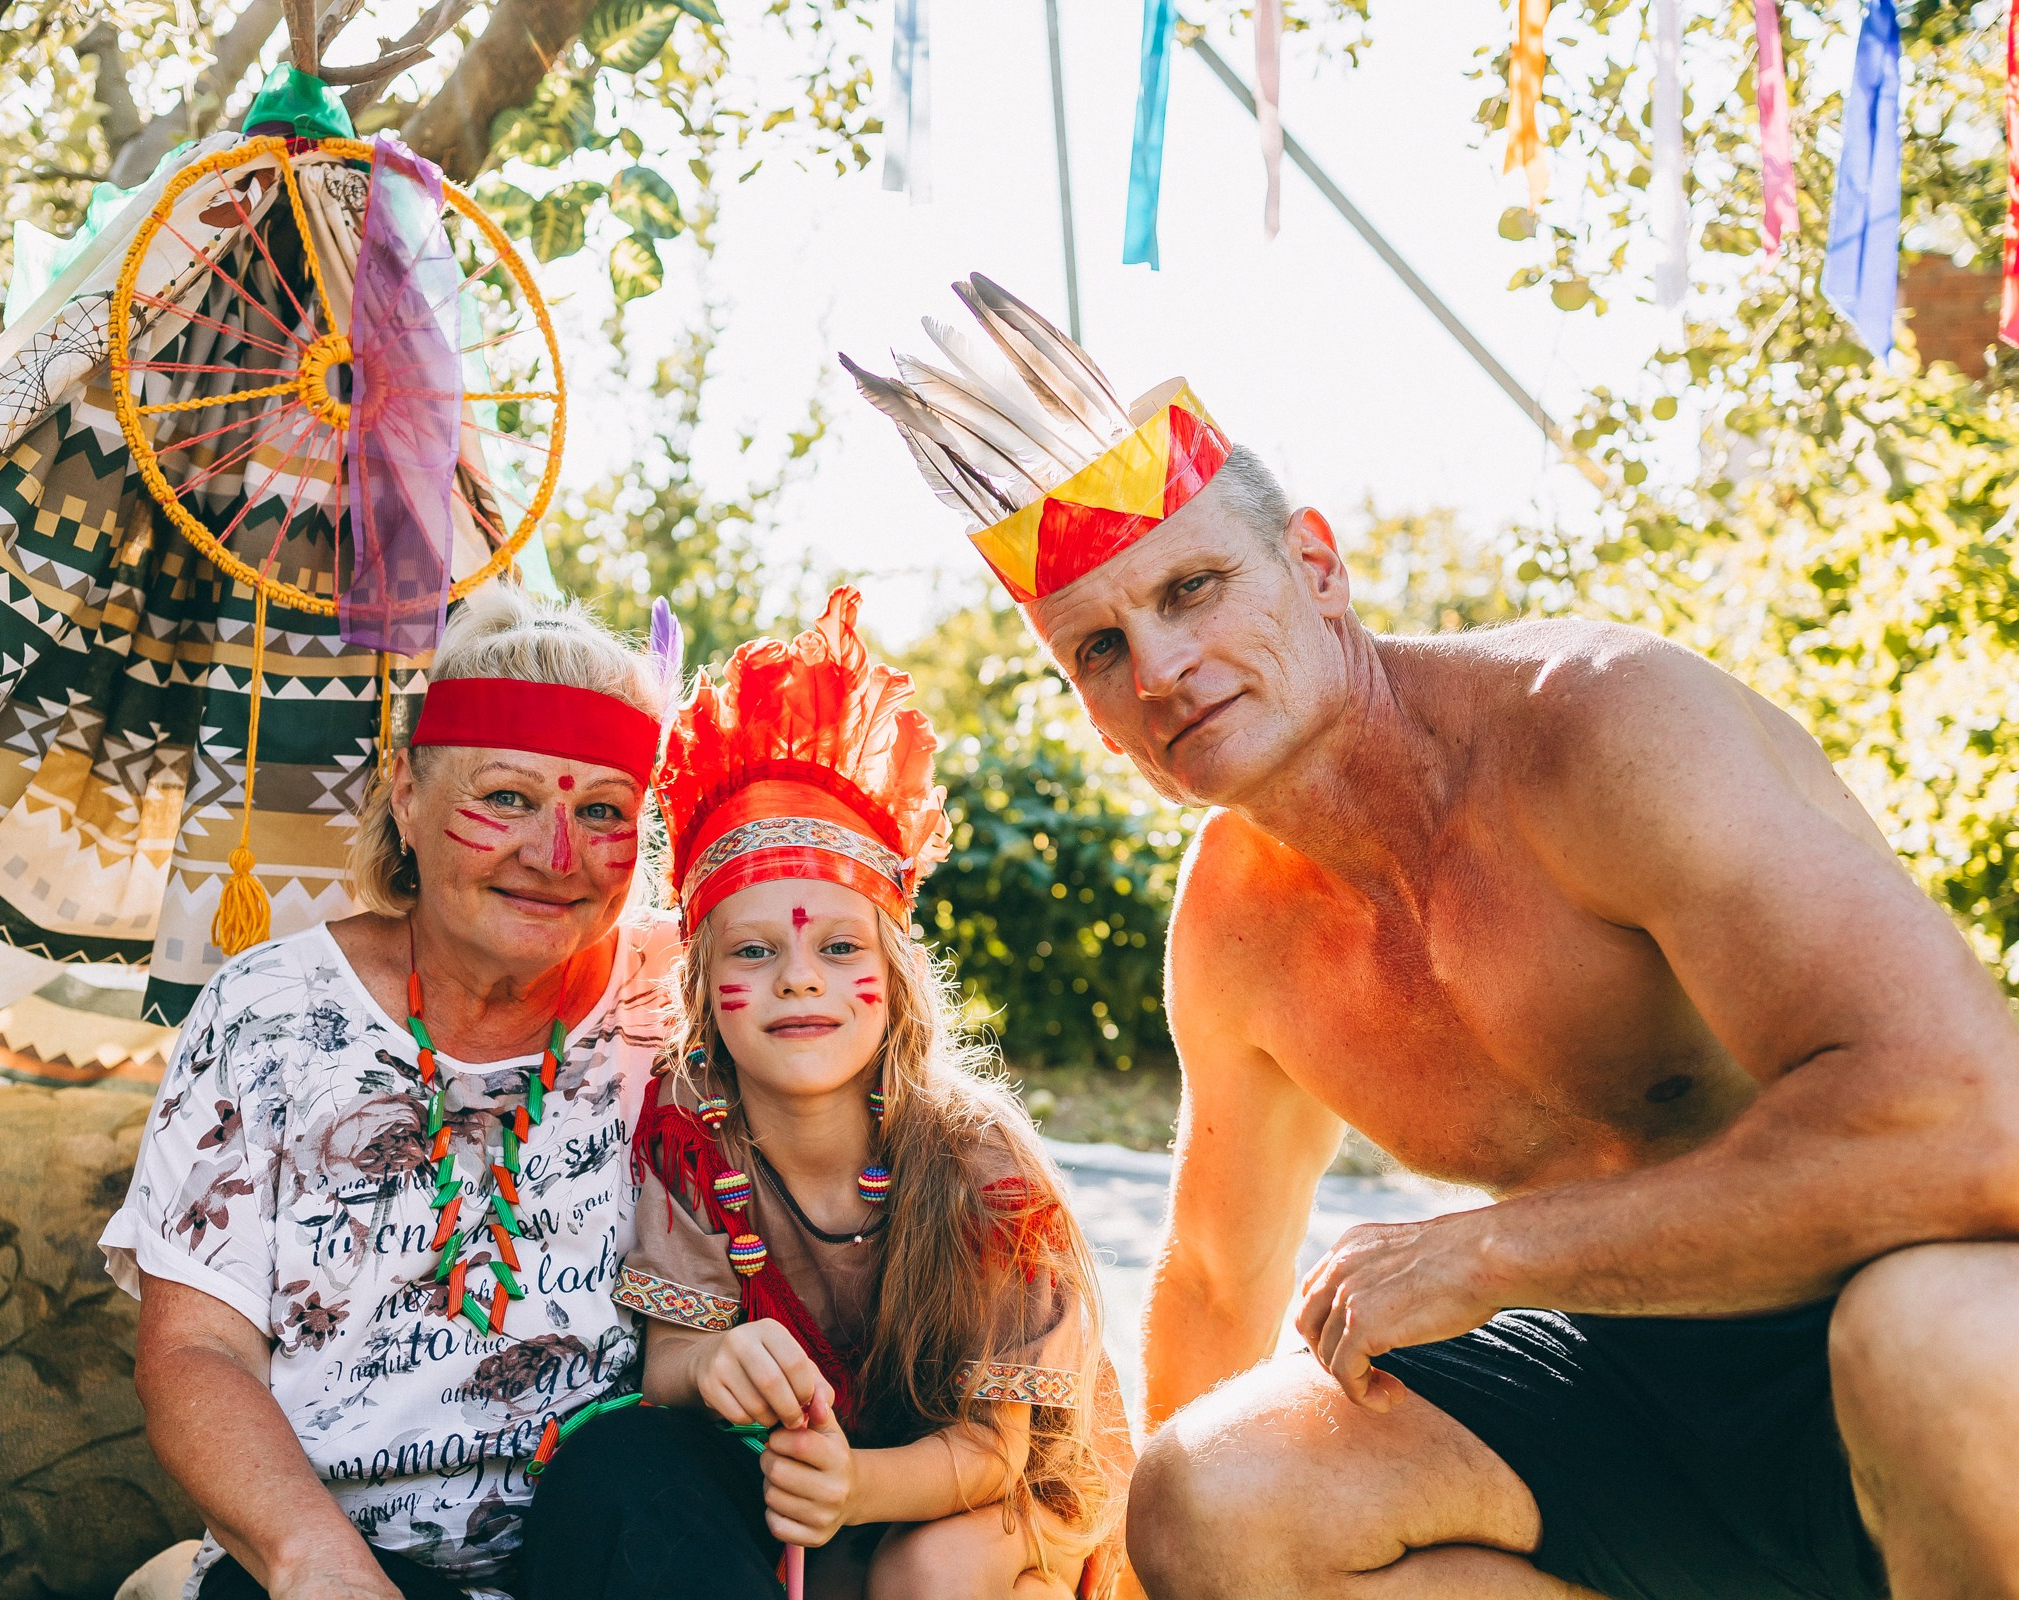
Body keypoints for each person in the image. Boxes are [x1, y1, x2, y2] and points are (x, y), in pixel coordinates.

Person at [845, 279, 2019, 1599]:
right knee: (1211, 1502)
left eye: (1197, 587)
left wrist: (1495, 1254)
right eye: (1102, 649)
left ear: (1318, 564)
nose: (1163, 668)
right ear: (1096, 720)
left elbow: (1973, 1124)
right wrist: (1140, 1576)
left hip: (1888, 1318)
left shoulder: (1602, 731)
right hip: (1629, 1386)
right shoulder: (1235, 928)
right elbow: (1223, 1278)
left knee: (1938, 1342)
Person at [523, 588, 1125, 1600]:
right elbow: (673, 1358)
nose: (797, 977)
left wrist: (856, 1489)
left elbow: (994, 1450)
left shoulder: (981, 1170)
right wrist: (715, 1368)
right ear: (701, 992)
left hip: (982, 1501)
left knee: (924, 1571)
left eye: (837, 947)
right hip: (814, 1499)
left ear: (892, 980)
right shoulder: (693, 1139)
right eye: (754, 952)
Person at [98, 585, 679, 1600]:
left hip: (612, 1552)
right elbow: (198, 1347)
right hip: (339, 1560)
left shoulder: (688, 1009)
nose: (553, 856)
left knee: (647, 1475)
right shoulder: (266, 1011)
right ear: (406, 792)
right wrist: (312, 1561)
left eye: (602, 812)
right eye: (506, 796)